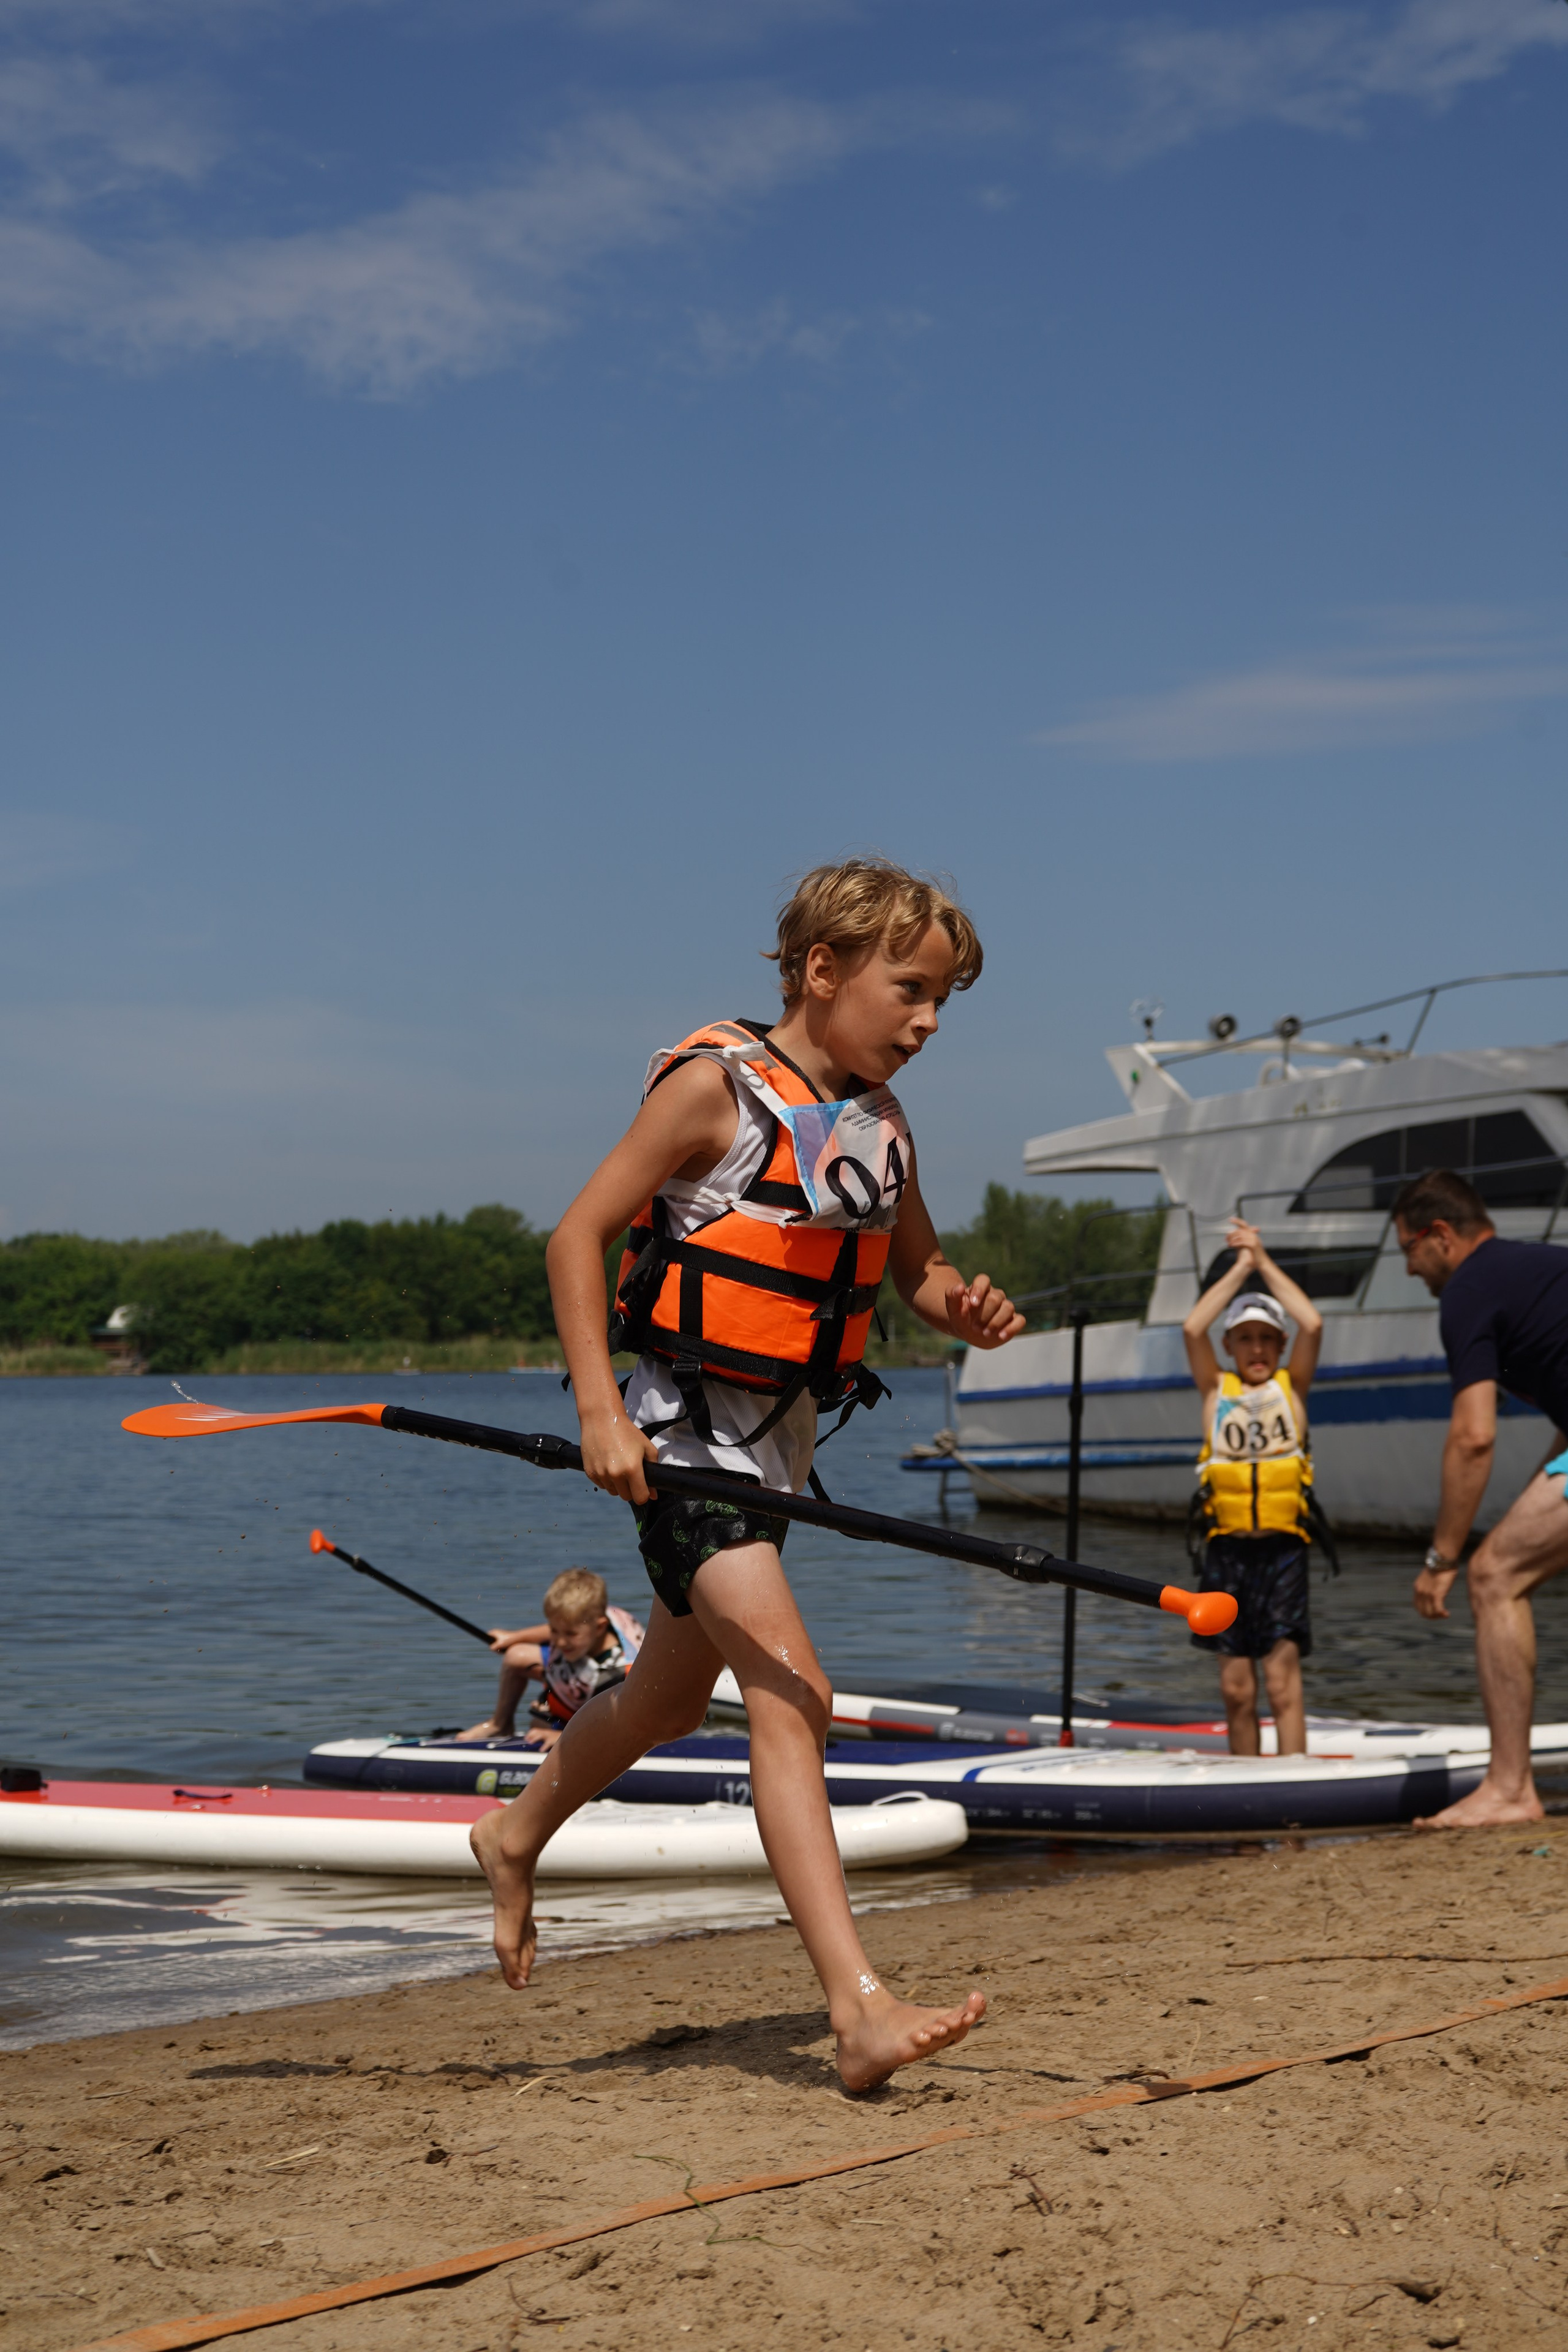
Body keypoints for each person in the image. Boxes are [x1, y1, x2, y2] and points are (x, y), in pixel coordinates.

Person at [470, 858, 1025, 2090]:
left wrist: (963, 1309)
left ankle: (512, 1836)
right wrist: (598, 1406)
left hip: (773, 1453)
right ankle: (856, 2007)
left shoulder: (879, 1121)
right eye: (910, 990)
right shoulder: (708, 1090)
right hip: (675, 1443)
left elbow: (914, 1275)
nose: (926, 1021)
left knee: (666, 1704)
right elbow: (577, 1234)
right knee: (792, 1692)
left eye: (942, 1000)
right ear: (821, 971)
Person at [1396, 1167, 1568, 1829]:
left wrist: (1442, 1559)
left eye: (1408, 1248)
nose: (1409, 1269)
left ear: (1439, 1235)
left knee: (1494, 1576)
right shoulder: (1535, 1271)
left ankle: (1508, 1788)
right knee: (1506, 1558)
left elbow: (1472, 1437)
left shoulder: (1468, 1290)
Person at [1182, 1219, 1324, 1755]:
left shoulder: (1295, 1387)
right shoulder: (1216, 1387)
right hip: (1227, 1554)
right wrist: (1239, 1269)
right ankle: (1247, 1787)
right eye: (1246, 1338)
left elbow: (1313, 1321)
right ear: (1231, 1344)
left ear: (1281, 1345)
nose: (1257, 1348)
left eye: (1267, 1338)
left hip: (1284, 1554)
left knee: (1283, 1684)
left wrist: (1262, 1260)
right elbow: (1192, 1329)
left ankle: (1294, 1798)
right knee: (1237, 1690)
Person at [457, 1568, 646, 1749]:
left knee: (544, 1728)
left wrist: (563, 1738)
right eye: (555, 1631)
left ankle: (565, 1728)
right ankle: (500, 1724)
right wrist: (513, 1637)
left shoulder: (623, 1671)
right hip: (581, 1676)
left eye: (570, 1634)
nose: (561, 1642)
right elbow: (561, 1626)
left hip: (612, 1702)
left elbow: (624, 1727)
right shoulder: (586, 1622)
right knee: (516, 1656)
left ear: (599, 1628)